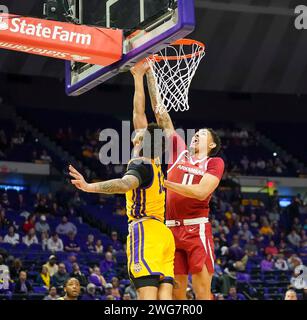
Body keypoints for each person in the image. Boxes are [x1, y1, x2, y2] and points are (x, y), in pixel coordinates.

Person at [68, 62, 175, 300]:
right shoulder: (157, 158)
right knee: (164, 298)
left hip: (145, 230)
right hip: (164, 235)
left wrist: (89, 186)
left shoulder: (141, 165)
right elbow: (141, 113)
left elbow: (124, 185)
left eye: (141, 134)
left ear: (142, 141)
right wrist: (141, 76)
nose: (137, 131)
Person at [135, 62, 224, 300]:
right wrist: (150, 73)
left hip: (196, 229)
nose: (196, 134)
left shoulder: (214, 163)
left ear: (212, 145)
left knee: (203, 291)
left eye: (202, 134)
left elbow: (200, 192)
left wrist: (166, 184)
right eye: (196, 132)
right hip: (171, 228)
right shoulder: (179, 152)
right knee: (176, 294)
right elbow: (160, 112)